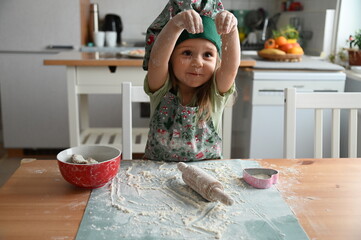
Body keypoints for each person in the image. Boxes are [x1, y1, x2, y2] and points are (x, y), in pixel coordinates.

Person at [143, 8, 240, 161]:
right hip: (155, 171)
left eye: (208, 55)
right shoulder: (161, 87)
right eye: (187, 53)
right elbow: (156, 61)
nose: (197, 63)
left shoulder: (214, 92)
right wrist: (175, 25)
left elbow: (231, 69)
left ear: (217, 62)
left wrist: (231, 30)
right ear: (171, 58)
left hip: (208, 172)